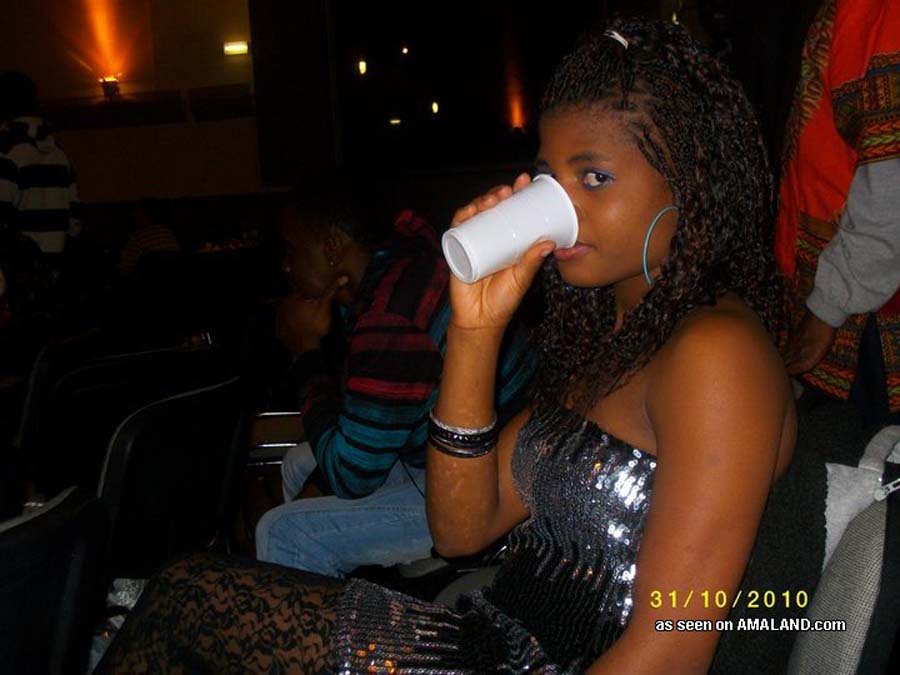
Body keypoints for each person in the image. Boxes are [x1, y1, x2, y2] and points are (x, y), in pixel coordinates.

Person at [96, 17, 795, 674]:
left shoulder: (716, 354)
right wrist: (474, 329)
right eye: (550, 178)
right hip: (484, 634)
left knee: (188, 601)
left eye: (595, 177)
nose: (562, 206)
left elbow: (670, 652)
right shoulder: (615, 339)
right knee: (182, 589)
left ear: (690, 176)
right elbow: (462, 527)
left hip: (528, 662)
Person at [254, 186, 535, 576]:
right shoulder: (397, 265)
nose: (287, 265)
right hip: (470, 448)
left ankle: (328, 610)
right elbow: (366, 423)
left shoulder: (391, 316)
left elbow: (351, 475)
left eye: (292, 249)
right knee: (300, 462)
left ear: (332, 248)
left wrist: (306, 352)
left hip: (491, 483)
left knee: (283, 532)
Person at [778, 0, 900, 426]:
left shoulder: (886, 14)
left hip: (868, 314)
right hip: (851, 294)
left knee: (869, 454)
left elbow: (891, 188)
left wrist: (827, 307)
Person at [0, 72, 81, 260]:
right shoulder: (58, 152)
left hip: (16, 266)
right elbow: (75, 216)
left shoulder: (7, 150)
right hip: (54, 262)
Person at [117, 198, 181, 276]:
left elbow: (125, 269)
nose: (133, 215)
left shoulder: (138, 238)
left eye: (137, 212)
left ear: (145, 215)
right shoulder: (168, 234)